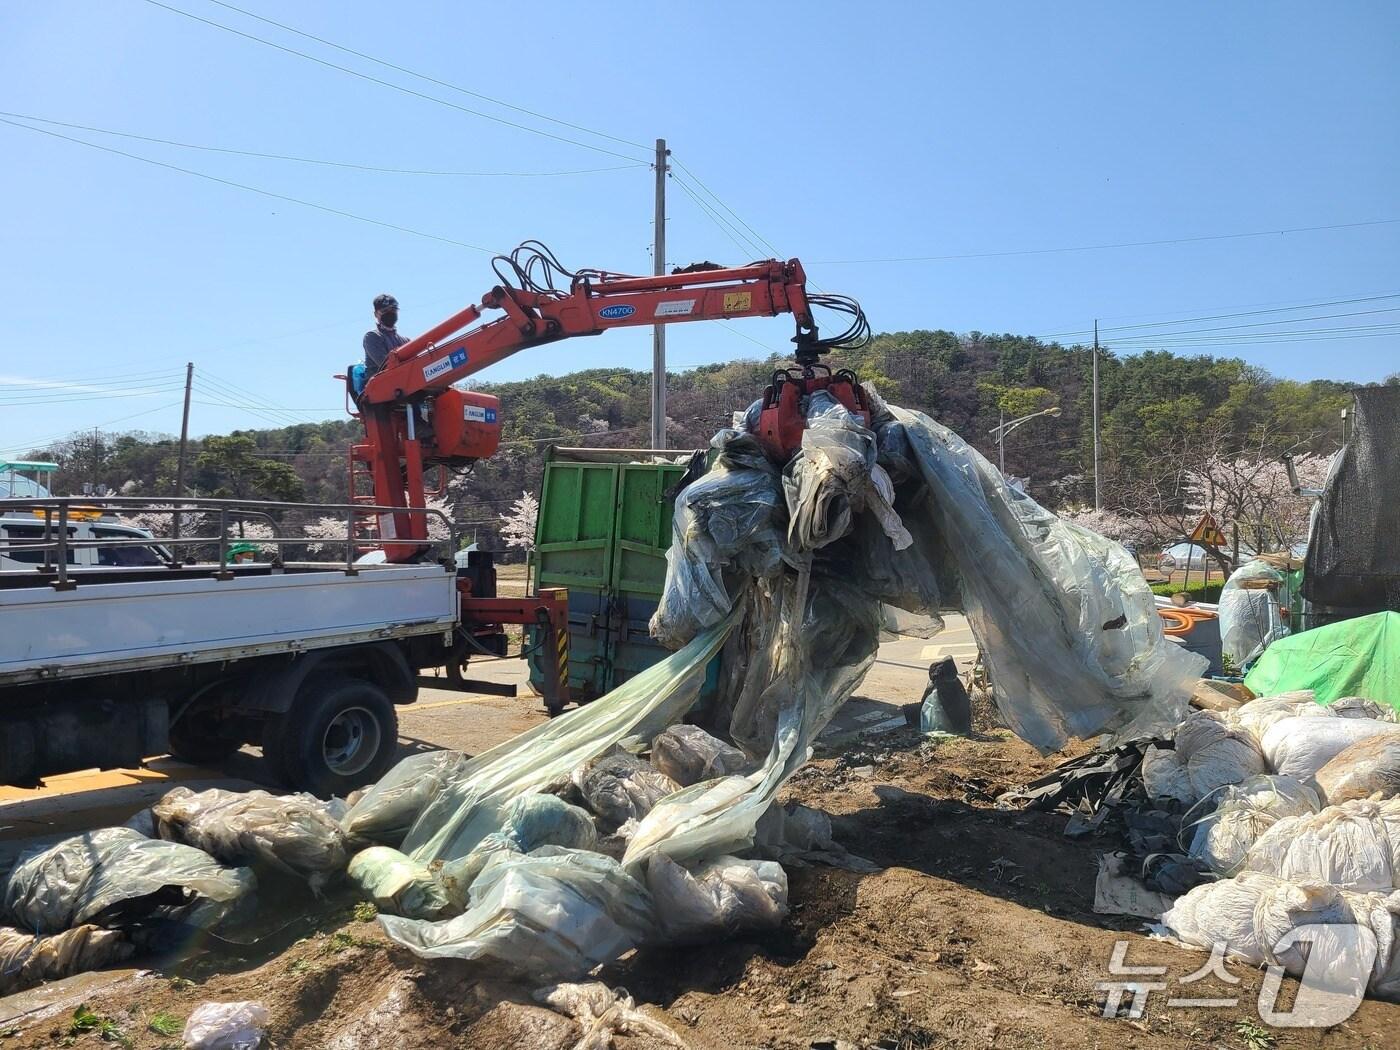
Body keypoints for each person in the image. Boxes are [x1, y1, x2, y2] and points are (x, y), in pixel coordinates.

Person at [362, 293, 407, 378]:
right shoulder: (372, 337)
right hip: (381, 387)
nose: (390, 313)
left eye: (393, 310)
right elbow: (386, 366)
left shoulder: (405, 341)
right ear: (376, 314)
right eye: (385, 311)